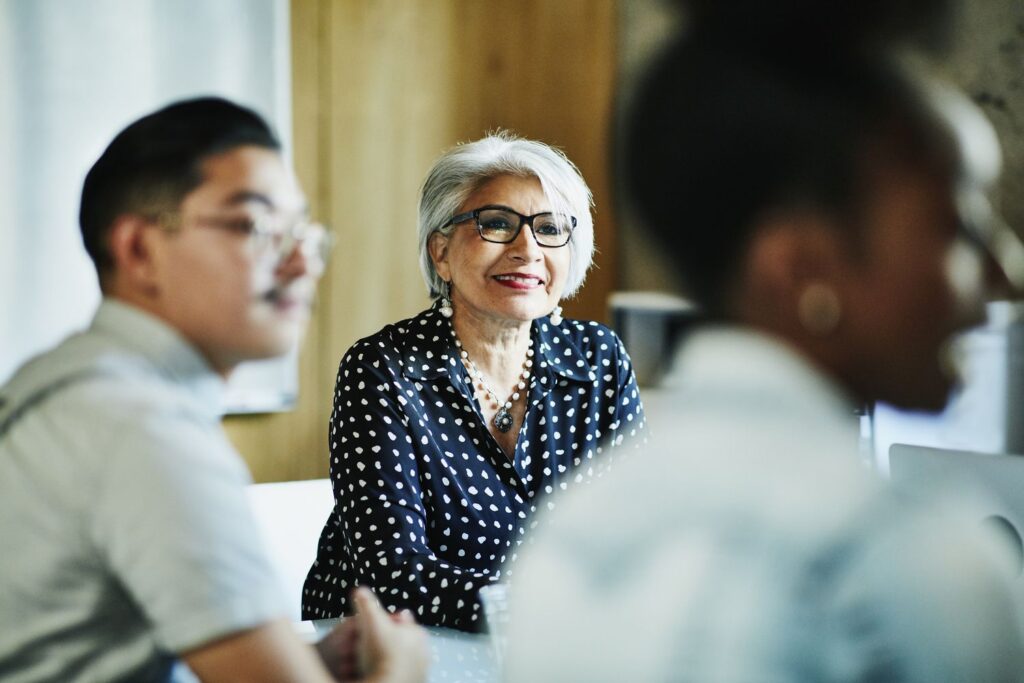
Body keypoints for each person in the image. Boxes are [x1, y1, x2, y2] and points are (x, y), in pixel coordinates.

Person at [503, 5, 1024, 682]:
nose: (1005, 271)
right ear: (803, 269)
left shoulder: (564, 546)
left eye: (548, 229)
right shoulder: (921, 569)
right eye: (958, 225)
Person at [0, 97, 427, 683]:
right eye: (256, 226)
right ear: (140, 250)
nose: (303, 262)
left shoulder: (68, 381)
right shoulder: (141, 426)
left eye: (302, 231)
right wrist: (398, 674)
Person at [302, 132, 647, 631]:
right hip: (392, 654)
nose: (527, 249)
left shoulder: (599, 360)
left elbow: (640, 534)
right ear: (441, 252)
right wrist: (540, 613)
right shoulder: (383, 369)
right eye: (497, 224)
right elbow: (393, 575)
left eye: (550, 228)